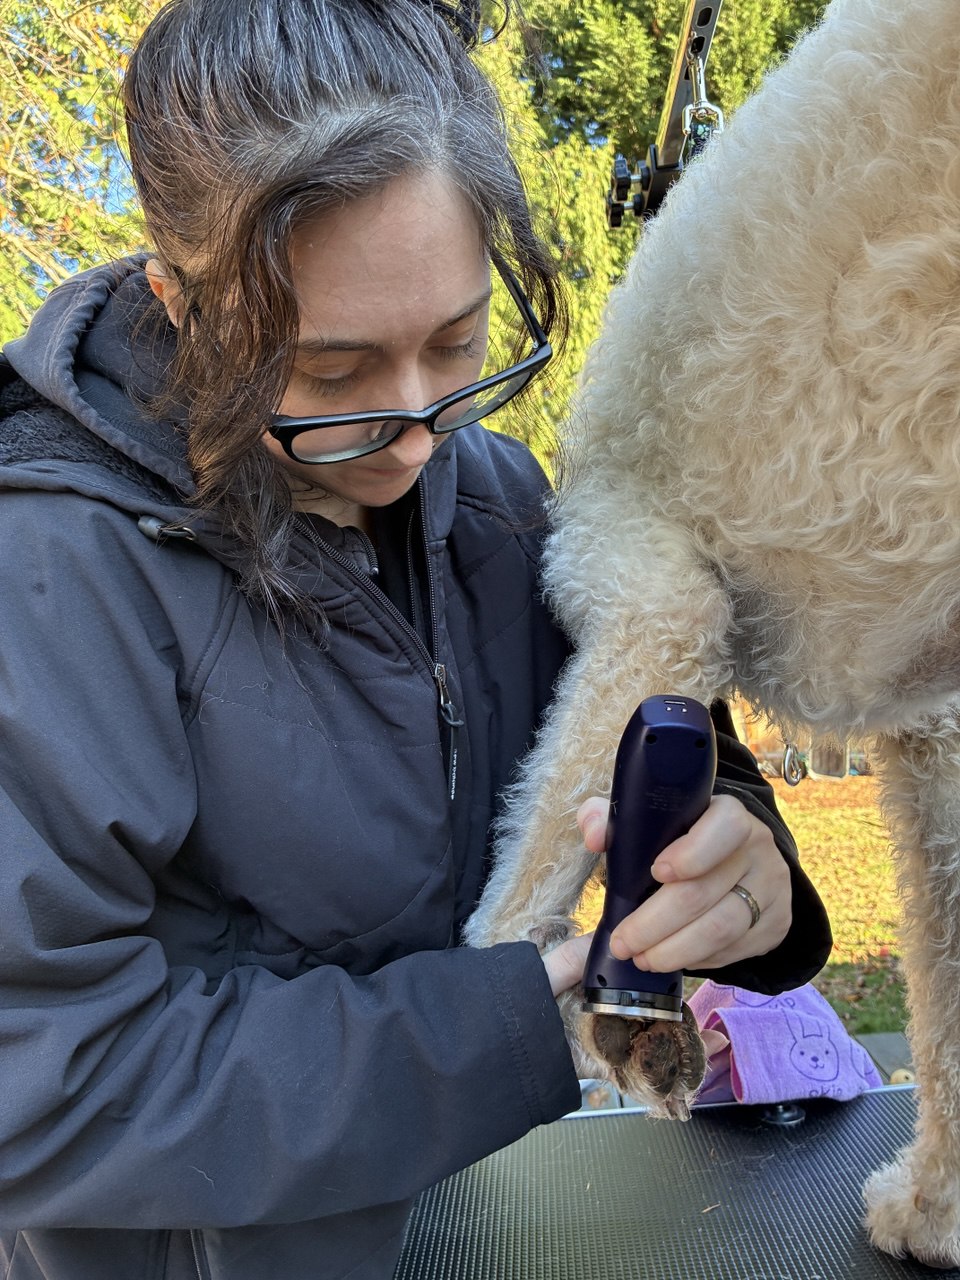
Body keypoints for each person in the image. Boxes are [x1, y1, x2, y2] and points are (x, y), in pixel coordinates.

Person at [0, 1, 831, 1276]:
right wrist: (505, 1021)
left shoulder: (499, 498)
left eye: (456, 339)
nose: (412, 433)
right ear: (179, 299)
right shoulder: (51, 573)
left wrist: (751, 877)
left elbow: (652, 741)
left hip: (456, 1229)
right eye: (330, 374)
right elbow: (47, 1082)